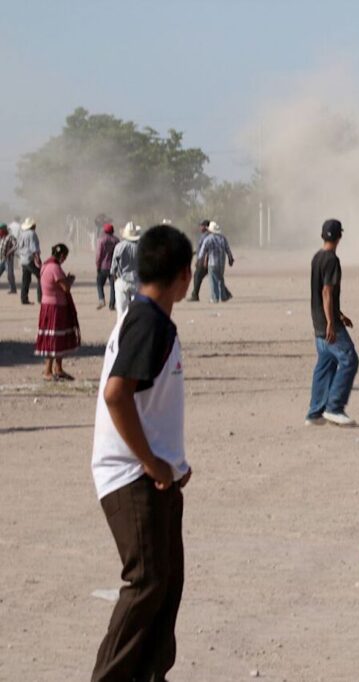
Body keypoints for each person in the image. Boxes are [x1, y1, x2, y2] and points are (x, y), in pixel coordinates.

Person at [90, 224, 194, 682]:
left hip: (155, 475)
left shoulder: (150, 318)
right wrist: (152, 462)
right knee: (147, 581)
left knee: (166, 584)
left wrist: (171, 463)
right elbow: (117, 394)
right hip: (133, 476)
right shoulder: (147, 320)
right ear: (185, 276)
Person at [306, 219, 359, 427]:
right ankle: (334, 408)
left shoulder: (317, 257)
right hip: (327, 323)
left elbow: (324, 294)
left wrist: (339, 314)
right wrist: (332, 322)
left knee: (326, 363)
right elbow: (326, 291)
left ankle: (315, 412)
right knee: (349, 359)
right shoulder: (331, 260)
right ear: (340, 237)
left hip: (318, 319)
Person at [35, 243, 81, 380]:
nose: (64, 259)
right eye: (65, 257)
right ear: (61, 255)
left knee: (58, 336)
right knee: (53, 337)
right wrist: (70, 280)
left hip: (48, 305)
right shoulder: (55, 268)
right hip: (54, 307)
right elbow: (65, 288)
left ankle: (58, 368)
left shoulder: (45, 266)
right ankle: (48, 370)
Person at [196, 221, 234, 303]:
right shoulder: (223, 238)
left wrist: (199, 260)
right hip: (221, 263)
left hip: (212, 263)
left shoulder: (208, 239)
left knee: (213, 281)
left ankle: (215, 298)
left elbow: (202, 251)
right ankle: (223, 297)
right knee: (221, 279)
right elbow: (228, 249)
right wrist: (230, 259)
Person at [111, 222, 141, 316]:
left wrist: (115, 278)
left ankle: (122, 329)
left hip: (122, 280)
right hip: (137, 281)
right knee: (137, 312)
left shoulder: (119, 246)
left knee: (121, 312)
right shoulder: (141, 247)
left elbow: (114, 267)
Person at [17, 218, 42, 305]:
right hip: (29, 259)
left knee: (26, 280)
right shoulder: (32, 234)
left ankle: (24, 299)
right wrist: (38, 259)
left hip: (23, 260)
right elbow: (34, 248)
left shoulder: (22, 234)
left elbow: (18, 247)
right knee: (41, 276)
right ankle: (41, 298)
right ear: (32, 226)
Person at [94, 223, 118, 310]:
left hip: (103, 266)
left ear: (104, 231)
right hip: (114, 267)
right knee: (113, 286)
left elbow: (98, 255)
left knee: (99, 284)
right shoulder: (116, 240)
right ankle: (112, 305)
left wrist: (98, 266)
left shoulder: (101, 240)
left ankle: (102, 300)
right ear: (112, 231)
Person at [188, 219, 210, 301]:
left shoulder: (207, 236)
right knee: (198, 276)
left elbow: (207, 249)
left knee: (197, 276)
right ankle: (195, 295)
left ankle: (195, 296)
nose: (200, 227)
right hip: (202, 260)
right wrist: (193, 253)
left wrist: (204, 261)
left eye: (202, 226)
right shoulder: (204, 235)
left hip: (204, 261)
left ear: (206, 227)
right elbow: (200, 249)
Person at [0, 223, 17, 294]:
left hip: (8, 259)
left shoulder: (10, 237)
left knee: (9, 274)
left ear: (4, 230)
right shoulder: (2, 238)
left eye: (1, 230)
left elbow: (16, 245)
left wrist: (9, 252)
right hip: (1, 259)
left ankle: (13, 289)